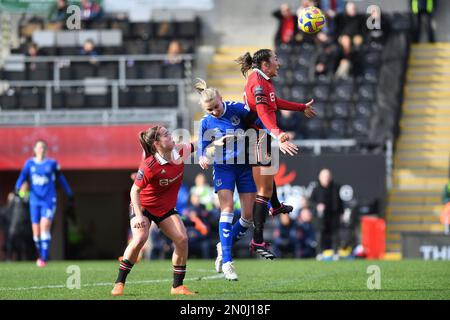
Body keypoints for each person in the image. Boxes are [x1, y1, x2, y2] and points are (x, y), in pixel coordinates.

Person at [236, 49, 316, 259]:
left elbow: (275, 103)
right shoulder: (258, 84)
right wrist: (278, 134)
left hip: (261, 136)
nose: (278, 64)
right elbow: (263, 112)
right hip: (256, 137)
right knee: (263, 190)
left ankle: (277, 206)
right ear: (265, 65)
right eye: (275, 60)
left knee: (268, 182)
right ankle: (257, 240)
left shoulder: (263, 81)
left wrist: (300, 107)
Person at [111, 126, 197, 296]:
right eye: (166, 135)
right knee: (140, 238)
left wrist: (220, 139)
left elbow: (199, 144)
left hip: (164, 208)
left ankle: (177, 287)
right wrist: (139, 216)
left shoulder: (180, 152)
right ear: (157, 144)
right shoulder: (150, 165)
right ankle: (119, 282)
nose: (171, 136)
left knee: (182, 239)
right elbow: (134, 191)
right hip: (143, 206)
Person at [195, 78, 258, 280]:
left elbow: (257, 121)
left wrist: (273, 133)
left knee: (247, 218)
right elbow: (202, 150)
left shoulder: (238, 109)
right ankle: (228, 262)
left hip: (244, 166)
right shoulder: (206, 122)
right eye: (210, 109)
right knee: (227, 209)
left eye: (215, 107)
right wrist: (205, 156)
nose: (214, 112)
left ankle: (223, 245)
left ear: (221, 98)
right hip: (223, 168)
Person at [15, 140, 73, 267]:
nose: (41, 150)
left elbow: (61, 178)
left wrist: (69, 193)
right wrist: (17, 188)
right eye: (39, 147)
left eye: (43, 148)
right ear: (35, 150)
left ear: (46, 150)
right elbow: (22, 177)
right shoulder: (29, 164)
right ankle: (40, 254)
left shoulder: (52, 164)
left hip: (49, 200)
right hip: (34, 201)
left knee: (44, 227)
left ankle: (44, 257)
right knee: (36, 233)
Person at [309, 168, 343, 258]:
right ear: (319, 178)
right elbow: (311, 202)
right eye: (324, 176)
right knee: (320, 234)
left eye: (327, 176)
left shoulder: (335, 188)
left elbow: (340, 202)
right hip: (320, 216)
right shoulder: (316, 189)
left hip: (333, 215)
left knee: (335, 234)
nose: (326, 178)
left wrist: (341, 213)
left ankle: (336, 253)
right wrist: (317, 206)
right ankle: (319, 253)